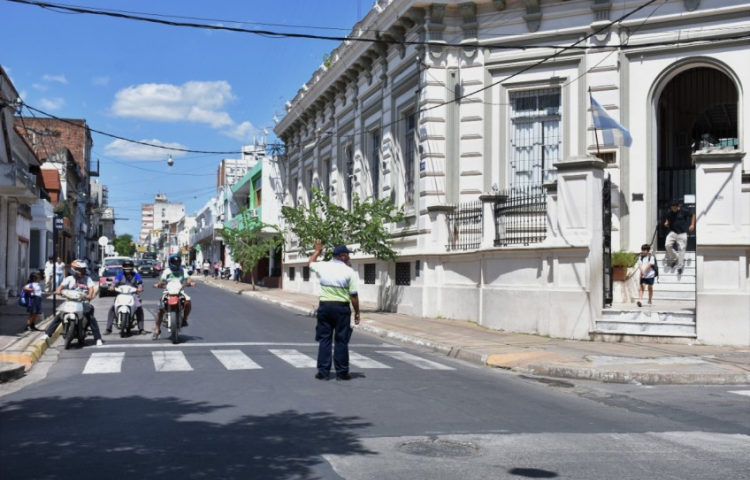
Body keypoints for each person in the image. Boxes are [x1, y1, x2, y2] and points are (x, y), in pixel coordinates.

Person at [308, 241, 360, 381]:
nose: (349, 258)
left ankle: (323, 372)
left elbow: (310, 263)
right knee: (341, 340)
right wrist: (357, 312)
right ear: (342, 256)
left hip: (325, 307)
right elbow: (353, 295)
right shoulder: (349, 271)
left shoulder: (323, 266)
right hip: (341, 309)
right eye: (348, 255)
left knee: (324, 339)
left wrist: (317, 251)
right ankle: (342, 373)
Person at [42, 259, 103, 346]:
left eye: (83, 269)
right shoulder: (69, 278)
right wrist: (58, 291)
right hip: (70, 301)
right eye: (80, 269)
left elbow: (91, 289)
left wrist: (89, 295)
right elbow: (60, 287)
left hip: (83, 301)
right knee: (59, 316)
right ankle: (47, 334)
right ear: (74, 269)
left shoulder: (87, 279)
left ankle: (98, 338)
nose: (82, 271)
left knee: (91, 317)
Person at [152, 254, 195, 340]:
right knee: (160, 311)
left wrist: (191, 282)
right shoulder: (166, 271)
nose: (176, 263)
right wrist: (157, 284)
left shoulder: (183, 270)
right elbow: (161, 280)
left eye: (178, 262)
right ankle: (157, 330)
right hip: (168, 291)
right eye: (174, 262)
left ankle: (184, 319)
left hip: (179, 291)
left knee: (188, 302)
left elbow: (188, 278)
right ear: (170, 262)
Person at [105, 259, 145, 335]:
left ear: (132, 267)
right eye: (126, 266)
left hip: (133, 294)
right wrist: (112, 286)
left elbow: (140, 282)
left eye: (129, 266)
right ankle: (108, 328)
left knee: (139, 307)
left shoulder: (136, 275)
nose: (127, 268)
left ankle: (141, 328)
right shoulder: (120, 275)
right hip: (121, 294)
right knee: (112, 308)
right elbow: (115, 282)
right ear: (123, 267)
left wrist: (140, 288)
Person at [664, 199, 695, 275]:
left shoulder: (684, 211)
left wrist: (692, 225)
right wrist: (667, 222)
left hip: (682, 233)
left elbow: (693, 215)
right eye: (672, 208)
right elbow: (667, 218)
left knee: (681, 249)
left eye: (674, 207)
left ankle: (680, 267)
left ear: (678, 206)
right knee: (667, 245)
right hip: (673, 232)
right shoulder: (669, 212)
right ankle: (675, 258)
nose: (673, 209)